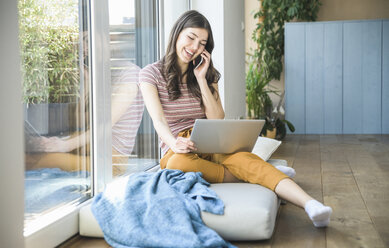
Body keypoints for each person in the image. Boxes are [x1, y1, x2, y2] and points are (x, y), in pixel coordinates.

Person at [139, 10, 332, 228]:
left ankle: (311, 205)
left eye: (202, 43)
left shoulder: (207, 73)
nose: (194, 47)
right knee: (177, 164)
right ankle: (259, 172)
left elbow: (216, 118)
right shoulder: (150, 74)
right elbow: (159, 121)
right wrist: (175, 142)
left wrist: (201, 80)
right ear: (177, 33)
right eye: (191, 37)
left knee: (240, 158)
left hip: (209, 139)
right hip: (177, 146)